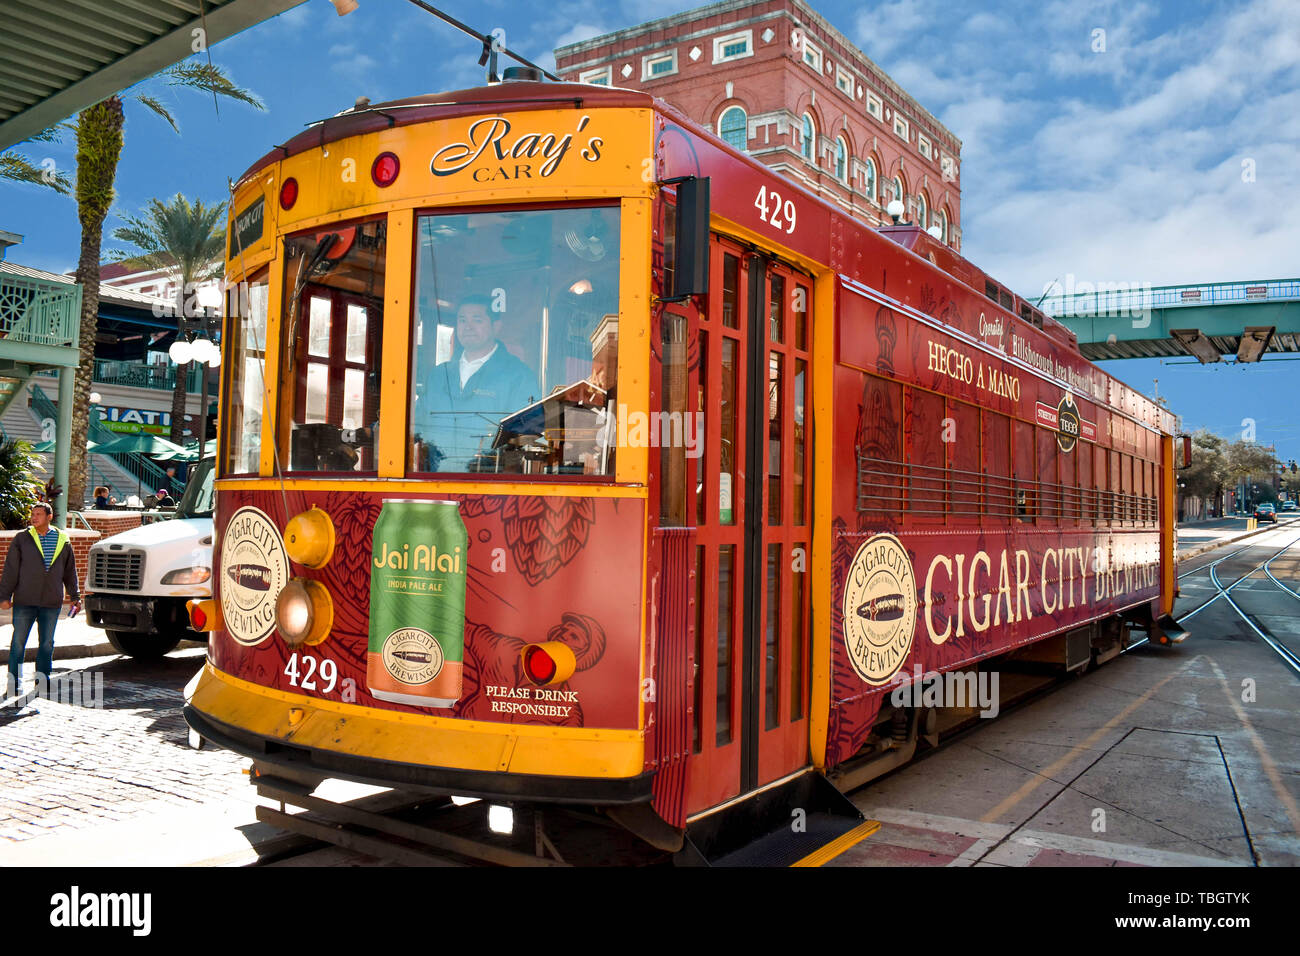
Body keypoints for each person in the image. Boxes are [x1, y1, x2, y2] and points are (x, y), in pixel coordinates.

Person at [415, 295, 538, 471]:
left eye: (477, 320)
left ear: (496, 326)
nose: (468, 327)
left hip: (490, 485)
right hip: (433, 480)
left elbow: (528, 435)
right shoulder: (438, 375)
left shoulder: (518, 375)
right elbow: (416, 422)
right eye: (462, 320)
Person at [0, 503, 82, 698]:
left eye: (38, 514)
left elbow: (70, 571)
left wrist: (75, 596)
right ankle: (13, 685)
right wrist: (4, 596)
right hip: (24, 600)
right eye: (32, 514)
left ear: (49, 516)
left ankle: (42, 682)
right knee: (18, 643)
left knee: (46, 643)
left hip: (51, 601)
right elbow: (11, 569)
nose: (34, 517)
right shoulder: (22, 538)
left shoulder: (63, 540)